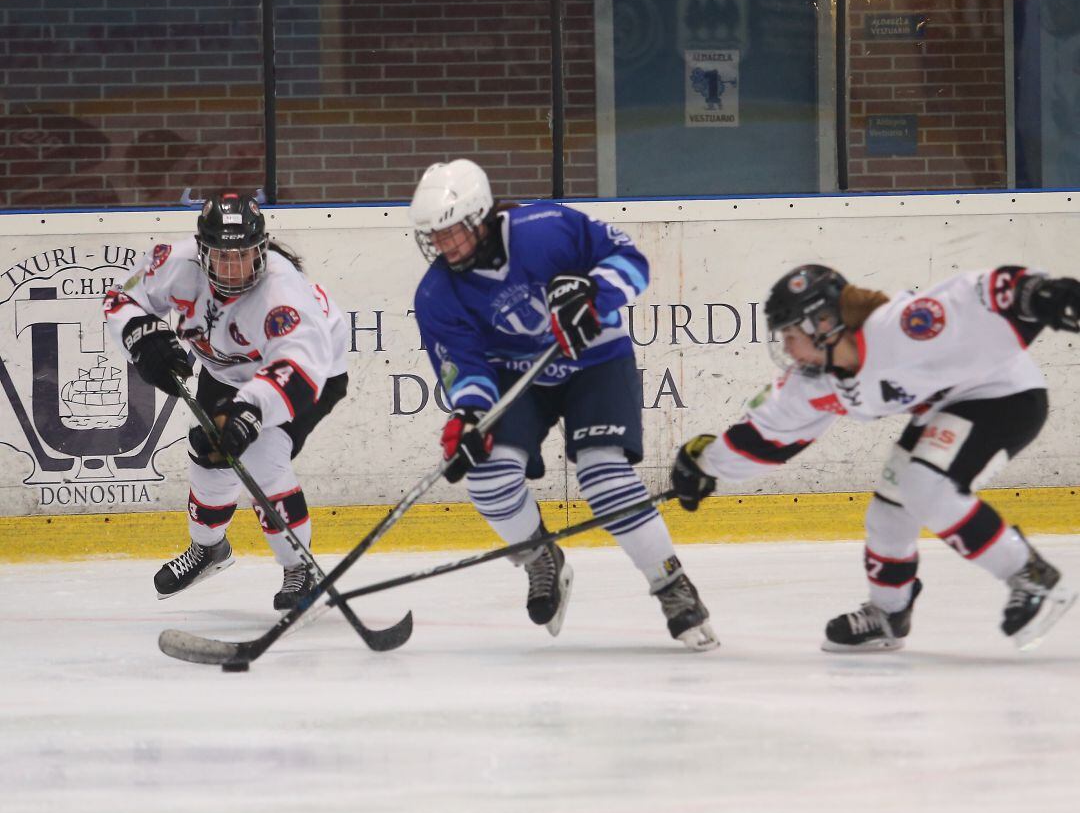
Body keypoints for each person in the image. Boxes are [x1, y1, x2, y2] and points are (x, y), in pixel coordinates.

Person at [671, 263, 1080, 652]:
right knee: (889, 510)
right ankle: (889, 615)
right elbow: (766, 434)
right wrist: (703, 464)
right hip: (946, 408)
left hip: (1005, 395)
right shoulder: (815, 382)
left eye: (790, 333)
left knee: (925, 484)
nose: (786, 347)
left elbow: (976, 294)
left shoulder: (901, 328)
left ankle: (1030, 575)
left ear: (823, 324)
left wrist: (1037, 293)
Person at [408, 158, 718, 651]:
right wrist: (469, 414)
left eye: (452, 232)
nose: (444, 245)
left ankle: (672, 585)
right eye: (434, 236)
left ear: (481, 214)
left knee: (604, 475)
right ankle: (540, 558)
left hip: (593, 360)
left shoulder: (546, 228)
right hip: (519, 379)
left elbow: (631, 261)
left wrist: (592, 291)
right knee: (487, 475)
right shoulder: (437, 295)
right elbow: (466, 368)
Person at [103, 191, 349, 611]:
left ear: (262, 249)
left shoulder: (283, 293)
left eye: (244, 255)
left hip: (311, 374)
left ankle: (299, 567)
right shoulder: (176, 263)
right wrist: (143, 339)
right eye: (221, 256)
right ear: (202, 252)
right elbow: (122, 297)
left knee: (259, 455)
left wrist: (248, 413)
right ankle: (209, 550)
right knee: (209, 452)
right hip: (225, 371)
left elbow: (298, 366)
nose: (233, 268)